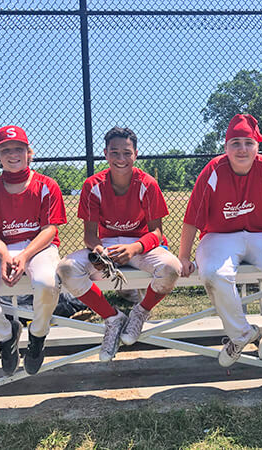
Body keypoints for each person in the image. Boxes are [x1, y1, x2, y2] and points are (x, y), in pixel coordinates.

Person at [178, 114, 262, 368]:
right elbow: (192, 218)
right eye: (235, 143)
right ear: (226, 146)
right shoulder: (214, 170)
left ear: (257, 145)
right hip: (218, 236)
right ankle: (241, 335)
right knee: (213, 274)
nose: (242, 149)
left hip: (261, 234)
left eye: (248, 143)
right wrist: (184, 256)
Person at [57, 127, 181, 362]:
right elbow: (90, 235)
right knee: (66, 269)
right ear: (105, 154)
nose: (121, 159)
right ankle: (112, 318)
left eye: (126, 152)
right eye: (115, 152)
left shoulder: (148, 183)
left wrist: (134, 248)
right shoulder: (92, 185)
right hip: (108, 245)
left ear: (136, 154)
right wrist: (99, 251)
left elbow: (157, 232)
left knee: (171, 268)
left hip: (140, 244)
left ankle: (140, 312)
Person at [0, 125, 67, 376]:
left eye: (19, 149)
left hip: (39, 248)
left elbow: (49, 230)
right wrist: (7, 256)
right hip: (4, 249)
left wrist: (23, 256)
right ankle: (6, 336)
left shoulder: (46, 185)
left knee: (46, 283)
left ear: (29, 152)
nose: (13, 154)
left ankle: (38, 335)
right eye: (5, 150)